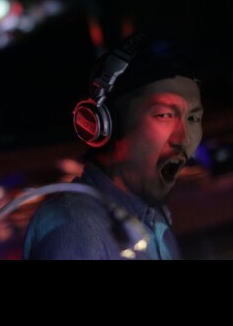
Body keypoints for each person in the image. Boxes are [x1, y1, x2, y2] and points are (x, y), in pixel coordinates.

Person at [23, 32, 204, 260]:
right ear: (108, 124)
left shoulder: (154, 218)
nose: (184, 139)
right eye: (164, 115)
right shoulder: (75, 224)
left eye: (193, 118)